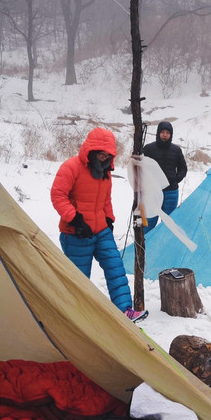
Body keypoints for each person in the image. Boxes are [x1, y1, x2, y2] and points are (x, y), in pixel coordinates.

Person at [51, 127, 147, 323]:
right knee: (78, 280)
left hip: (101, 231)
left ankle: (125, 311)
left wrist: (109, 220)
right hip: (76, 233)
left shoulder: (105, 173)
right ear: (90, 151)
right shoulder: (71, 167)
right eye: (101, 154)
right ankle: (76, 319)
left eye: (108, 155)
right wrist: (75, 219)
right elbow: (57, 195)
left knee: (115, 268)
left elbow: (105, 199)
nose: (104, 158)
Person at [142, 121, 187, 234]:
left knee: (168, 223)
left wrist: (176, 180)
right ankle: (145, 247)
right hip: (152, 192)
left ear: (171, 134)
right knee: (149, 222)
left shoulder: (176, 150)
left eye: (168, 132)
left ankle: (163, 247)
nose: (165, 135)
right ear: (158, 133)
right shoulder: (148, 149)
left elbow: (183, 168)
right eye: (162, 132)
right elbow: (141, 168)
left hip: (171, 192)